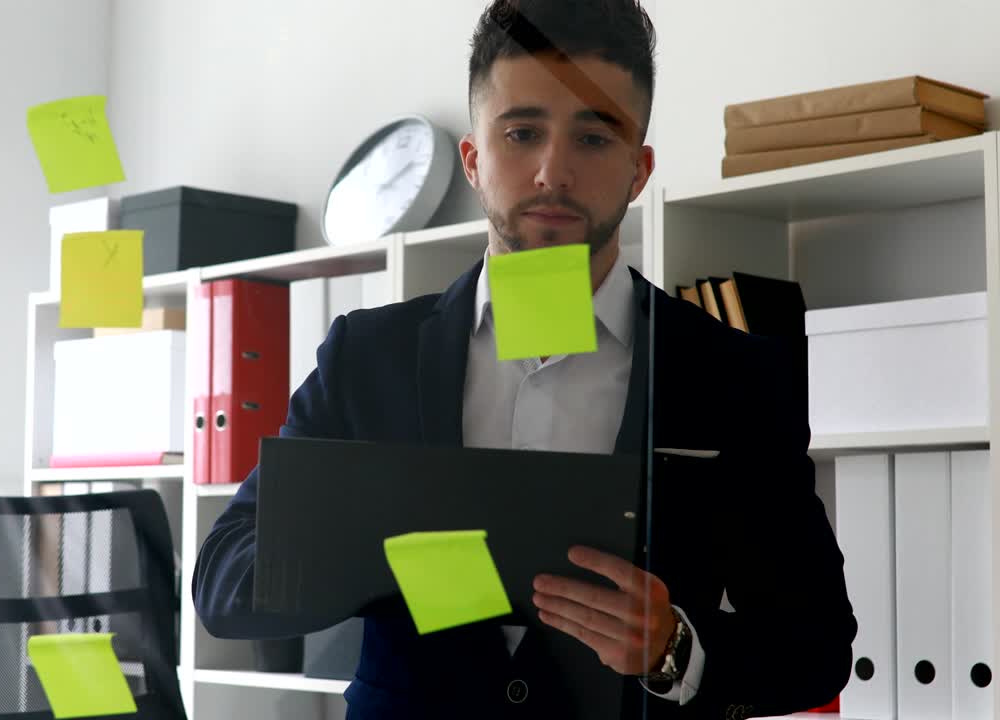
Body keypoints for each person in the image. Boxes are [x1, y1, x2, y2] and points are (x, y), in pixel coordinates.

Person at [193, 1, 857, 718]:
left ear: (639, 170)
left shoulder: (737, 377)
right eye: (522, 132)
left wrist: (672, 646)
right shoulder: (366, 357)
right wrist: (367, 550)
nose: (553, 172)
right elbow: (223, 584)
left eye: (595, 138)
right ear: (474, 160)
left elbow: (817, 647)